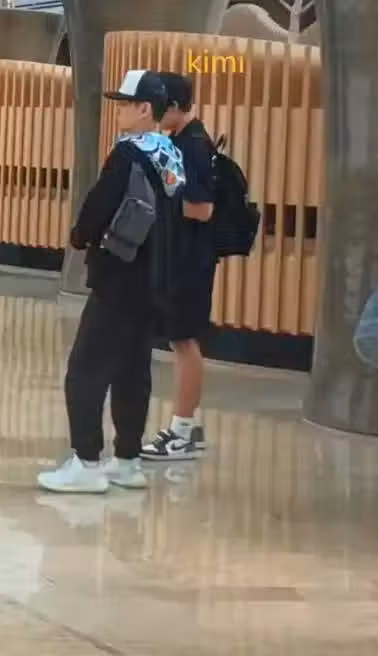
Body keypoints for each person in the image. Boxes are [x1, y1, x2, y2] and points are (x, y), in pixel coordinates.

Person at [38, 70, 185, 493]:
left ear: (145, 109)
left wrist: (79, 236)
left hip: (119, 277)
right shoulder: (172, 157)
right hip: (155, 282)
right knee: (132, 371)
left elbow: (99, 205)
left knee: (85, 369)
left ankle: (86, 462)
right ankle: (127, 460)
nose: (118, 111)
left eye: (125, 103)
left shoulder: (128, 154)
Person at [140, 72, 217, 462]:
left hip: (191, 262)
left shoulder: (193, 146)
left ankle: (182, 431)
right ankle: (188, 428)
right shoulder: (184, 141)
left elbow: (202, 209)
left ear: (172, 106)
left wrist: (162, 198)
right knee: (181, 341)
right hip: (183, 258)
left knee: (185, 343)